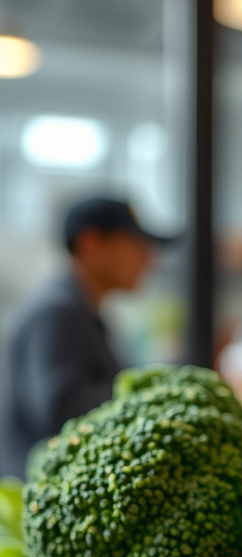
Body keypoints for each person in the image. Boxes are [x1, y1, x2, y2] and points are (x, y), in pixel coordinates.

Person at [0, 198, 171, 476]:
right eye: (137, 245)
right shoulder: (55, 314)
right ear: (91, 243)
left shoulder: (82, 312)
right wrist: (150, 387)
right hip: (40, 497)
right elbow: (61, 410)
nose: (149, 258)